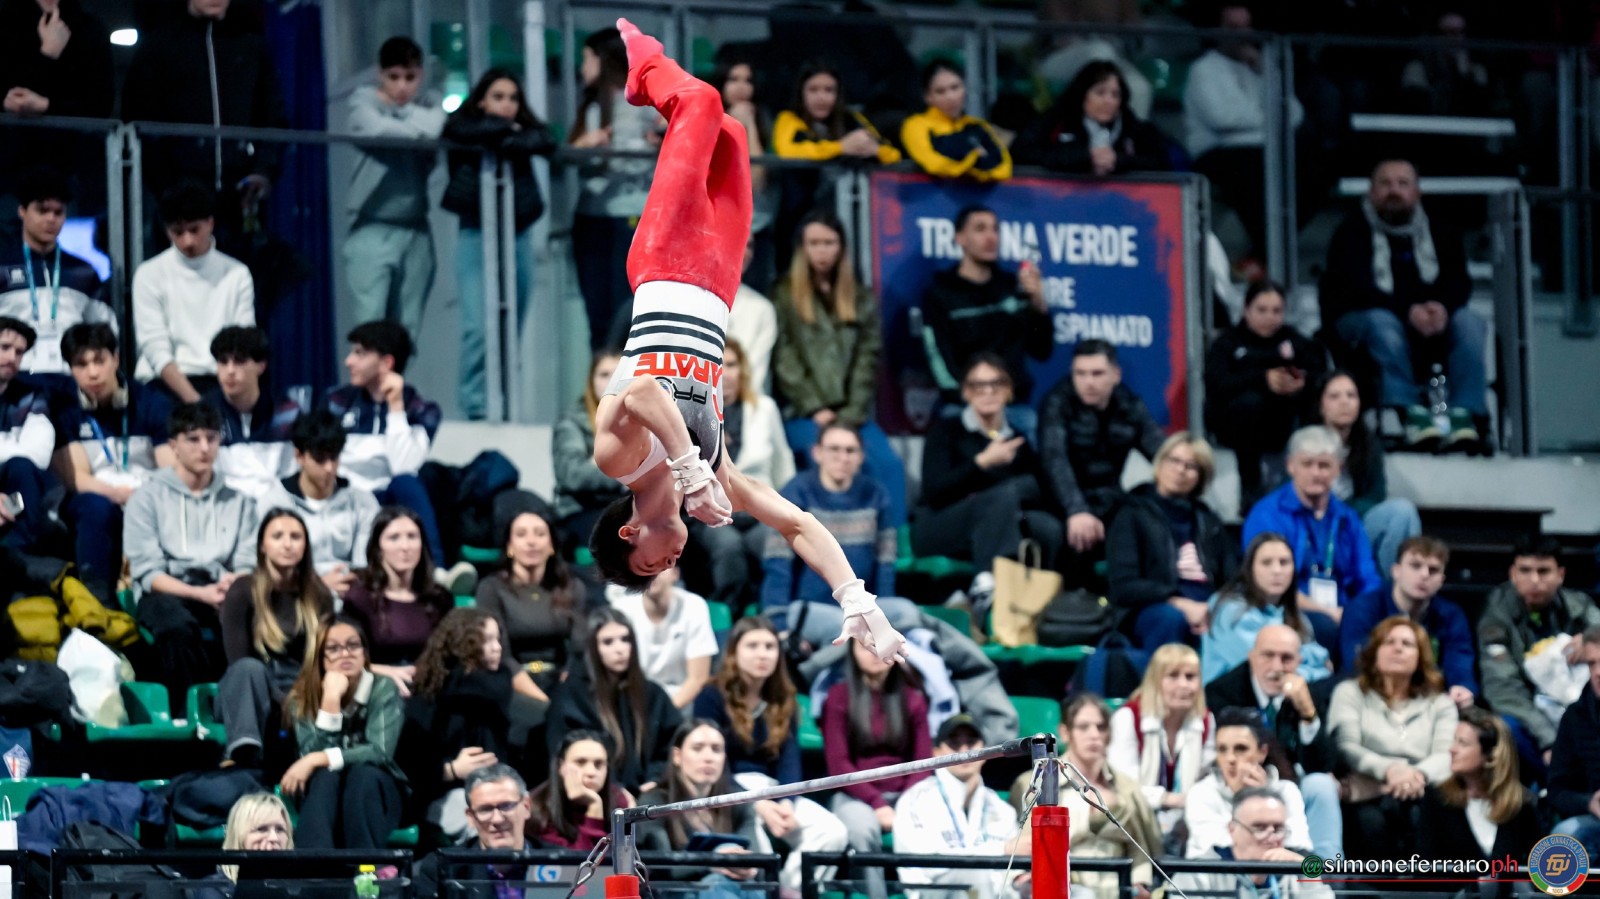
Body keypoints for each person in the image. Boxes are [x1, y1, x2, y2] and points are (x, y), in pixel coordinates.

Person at [587, 22, 904, 666]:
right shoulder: (717, 471)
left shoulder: (617, 459)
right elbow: (795, 522)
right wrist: (856, 599)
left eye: (647, 564)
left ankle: (642, 72)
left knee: (701, 103)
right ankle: (655, 82)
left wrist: (689, 469)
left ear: (630, 531)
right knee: (731, 134)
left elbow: (643, 391)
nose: (666, 567)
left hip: (664, 265)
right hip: (721, 282)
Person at [1319, 158, 1486, 450]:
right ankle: (1409, 412)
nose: (1394, 190)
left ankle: (1464, 413)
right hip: (1361, 321)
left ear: (1417, 192)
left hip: (1427, 322)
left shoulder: (1442, 232)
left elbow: (1459, 282)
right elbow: (1355, 289)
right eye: (1385, 183)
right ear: (1371, 192)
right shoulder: (1350, 232)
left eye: (1402, 183)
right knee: (1383, 322)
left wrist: (1442, 308)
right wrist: (1408, 312)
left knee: (1469, 323)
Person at [694, 617, 848, 891]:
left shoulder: (783, 697)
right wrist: (756, 803)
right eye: (752, 646)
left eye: (769, 646)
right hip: (729, 788)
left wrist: (787, 800)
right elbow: (714, 762)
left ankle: (790, 891)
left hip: (774, 788)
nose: (763, 654)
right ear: (734, 652)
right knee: (757, 846)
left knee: (832, 832)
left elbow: (790, 758)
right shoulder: (711, 695)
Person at [773, 210, 906, 526]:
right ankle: (827, 541)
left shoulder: (860, 297)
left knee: (889, 466)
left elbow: (867, 359)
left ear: (841, 247)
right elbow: (784, 359)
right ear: (802, 247)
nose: (822, 251)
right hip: (803, 414)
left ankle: (898, 544)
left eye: (829, 243)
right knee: (825, 463)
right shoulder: (784, 295)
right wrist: (815, 407)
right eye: (814, 243)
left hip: (853, 414)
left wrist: (850, 414)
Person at [120, 0, 288, 248]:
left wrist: (262, 171)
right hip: (178, 204)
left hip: (240, 201)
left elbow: (273, 118)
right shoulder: (159, 47)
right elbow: (137, 122)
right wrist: (168, 187)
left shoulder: (252, 47)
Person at [442, 67, 556, 420]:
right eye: (498, 97)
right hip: (475, 234)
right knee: (478, 328)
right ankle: (476, 408)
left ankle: (505, 405)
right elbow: (456, 130)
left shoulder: (524, 133)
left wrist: (508, 136)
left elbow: (546, 139)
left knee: (511, 328)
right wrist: (504, 133)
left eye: (513, 98)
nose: (507, 105)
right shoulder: (465, 128)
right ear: (480, 101)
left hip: (517, 235)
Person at [324, 319, 470, 591]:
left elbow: (403, 465)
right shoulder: (336, 402)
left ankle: (437, 571)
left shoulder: (421, 409)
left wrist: (395, 406)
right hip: (343, 495)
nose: (348, 361)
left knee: (406, 482)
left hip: (386, 499)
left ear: (386, 363)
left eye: (359, 353)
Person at [125, 402, 255, 705]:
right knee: (176, 628)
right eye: (193, 439)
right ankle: (188, 713)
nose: (204, 448)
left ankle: (242, 708)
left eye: (211, 438)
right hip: (166, 589)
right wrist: (199, 594)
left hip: (221, 588)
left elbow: (247, 562)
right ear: (174, 446)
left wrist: (230, 584)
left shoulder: (239, 501)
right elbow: (148, 573)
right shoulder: (146, 498)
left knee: (256, 619)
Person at [914, 355, 1063, 613]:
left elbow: (1040, 491)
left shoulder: (1016, 441)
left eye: (996, 384)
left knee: (1047, 526)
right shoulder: (946, 431)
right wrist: (982, 463)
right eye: (978, 386)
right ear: (966, 392)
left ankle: (1048, 605)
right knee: (1002, 496)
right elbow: (935, 492)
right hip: (940, 525)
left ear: (1008, 391)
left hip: (997, 526)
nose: (988, 392)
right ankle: (987, 588)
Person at [762, 424, 917, 648]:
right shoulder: (796, 492)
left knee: (908, 613)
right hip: (808, 607)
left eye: (850, 451)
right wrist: (779, 623)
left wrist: (880, 618)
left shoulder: (875, 494)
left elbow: (884, 563)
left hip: (861, 607)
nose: (843, 458)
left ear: (861, 457)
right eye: (834, 449)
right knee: (846, 626)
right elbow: (778, 564)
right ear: (817, 453)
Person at [51, 322, 174, 602]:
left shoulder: (151, 402)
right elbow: (77, 478)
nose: (92, 372)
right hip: (97, 495)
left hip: (148, 493)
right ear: (70, 369)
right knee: (94, 507)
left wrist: (140, 497)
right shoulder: (65, 410)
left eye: (99, 360)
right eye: (81, 364)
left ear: (116, 359)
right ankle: (98, 600)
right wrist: (118, 495)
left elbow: (169, 468)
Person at [1241, 425, 1383, 652]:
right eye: (1307, 464)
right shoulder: (1267, 515)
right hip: (1289, 609)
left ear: (1338, 469)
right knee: (1325, 627)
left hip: (1343, 611)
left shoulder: (1347, 518)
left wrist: (1364, 612)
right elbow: (1265, 582)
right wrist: (1328, 612)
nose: (1316, 473)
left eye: (1324, 465)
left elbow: (1367, 578)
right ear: (1291, 466)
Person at [1182, 3, 1305, 265]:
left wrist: (1264, 73)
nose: (1241, 35)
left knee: (1314, 166)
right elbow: (1224, 118)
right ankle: (1268, 254)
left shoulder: (1262, 67)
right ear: (1218, 30)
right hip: (1217, 153)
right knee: (1251, 173)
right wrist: (1270, 119)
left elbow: (1295, 113)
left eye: (1246, 28)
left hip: (1261, 151)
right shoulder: (1204, 69)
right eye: (1233, 28)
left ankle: (1262, 254)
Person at [1203, 624, 1340, 858]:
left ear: (1299, 661)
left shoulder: (1310, 694)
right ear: (1251, 656)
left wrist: (1308, 713)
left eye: (1286, 658)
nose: (1277, 667)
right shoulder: (1222, 693)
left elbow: (1324, 766)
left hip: (1290, 786)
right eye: (1268, 656)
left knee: (1322, 786)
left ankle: (1328, 870)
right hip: (1238, 787)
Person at [1328, 615, 1458, 860]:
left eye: (1407, 644)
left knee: (1429, 816)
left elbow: (1446, 754)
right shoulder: (1350, 693)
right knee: (1370, 822)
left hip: (1424, 790)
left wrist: (1416, 775)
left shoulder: (1440, 703)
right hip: (1367, 789)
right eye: (1389, 642)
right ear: (1374, 652)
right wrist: (1390, 770)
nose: (1397, 648)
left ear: (1420, 656)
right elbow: (1346, 746)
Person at [407, 608, 543, 839]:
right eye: (487, 640)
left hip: (497, 790)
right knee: (485, 823)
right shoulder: (432, 694)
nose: (497, 648)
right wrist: (451, 770)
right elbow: (412, 766)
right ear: (463, 644)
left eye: (497, 639)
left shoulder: (497, 685)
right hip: (443, 795)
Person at [344, 36, 446, 345]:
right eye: (394, 77)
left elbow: (435, 127)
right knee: (370, 330)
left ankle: (396, 380)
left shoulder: (429, 102)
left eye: (410, 78)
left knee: (407, 333)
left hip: (416, 229)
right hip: (371, 225)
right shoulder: (362, 101)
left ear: (421, 76)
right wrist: (415, 127)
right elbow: (377, 130)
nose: (402, 86)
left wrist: (401, 115)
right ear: (380, 75)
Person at [1010, 695, 1159, 899]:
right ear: (1065, 732)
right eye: (1083, 727)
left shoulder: (1127, 788)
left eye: (1101, 727)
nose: (1094, 735)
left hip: (1120, 889)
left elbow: (1141, 849)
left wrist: (1140, 883)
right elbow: (1024, 846)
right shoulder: (1034, 783)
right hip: (1067, 889)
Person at [280, 614, 409, 849]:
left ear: (365, 652)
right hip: (323, 794)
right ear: (319, 657)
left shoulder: (383, 687)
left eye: (353, 645)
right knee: (324, 777)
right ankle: (314, 867)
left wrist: (318, 758)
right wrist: (330, 700)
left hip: (376, 791)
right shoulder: (302, 698)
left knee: (363, 775)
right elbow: (311, 753)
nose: (345, 654)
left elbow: (379, 752)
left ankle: (365, 867)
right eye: (333, 648)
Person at [217, 508, 332, 768]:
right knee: (248, 669)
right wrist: (284, 700)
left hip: (302, 690)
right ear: (262, 546)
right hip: (249, 691)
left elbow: (323, 658)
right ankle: (242, 756)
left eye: (296, 537)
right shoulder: (242, 590)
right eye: (278, 536)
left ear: (305, 545)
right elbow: (237, 661)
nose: (287, 544)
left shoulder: (319, 594)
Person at [1037, 339, 1165, 566]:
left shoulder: (1129, 405)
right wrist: (1077, 510)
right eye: (1080, 373)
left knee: (1154, 505)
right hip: (1063, 502)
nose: (1088, 382)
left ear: (1116, 375)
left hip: (1111, 499)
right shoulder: (1056, 404)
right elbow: (1055, 461)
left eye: (1097, 373)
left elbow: (1162, 453)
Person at [1107, 432, 1237, 650]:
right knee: (1171, 618)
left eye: (1191, 466)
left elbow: (1233, 577)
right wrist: (1180, 603)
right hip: (1153, 606)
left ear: (1201, 477)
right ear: (1160, 463)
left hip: (1208, 605)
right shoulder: (1131, 513)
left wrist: (1215, 607)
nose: (1180, 470)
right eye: (1174, 460)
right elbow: (1125, 585)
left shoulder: (1208, 520)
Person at [1478, 537, 1600, 769]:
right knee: (1507, 727)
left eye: (1543, 571)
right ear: (1513, 573)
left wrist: (1591, 640)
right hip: (1527, 711)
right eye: (1525, 570)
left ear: (1560, 575)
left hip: (1574, 705)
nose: (1534, 580)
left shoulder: (1579, 605)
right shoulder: (1496, 614)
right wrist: (1550, 741)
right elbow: (1503, 688)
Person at [822, 639, 931, 896]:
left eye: (881, 646)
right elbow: (839, 765)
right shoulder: (838, 697)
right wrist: (877, 802)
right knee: (862, 829)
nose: (874, 653)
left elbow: (923, 763)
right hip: (855, 794)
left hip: (907, 795)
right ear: (852, 652)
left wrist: (905, 803)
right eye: (865, 646)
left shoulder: (913, 699)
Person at [568, 27, 654, 352]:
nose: (582, 68)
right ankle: (601, 378)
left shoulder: (643, 106)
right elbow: (572, 162)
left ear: (603, 60)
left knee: (624, 311)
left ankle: (623, 377)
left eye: (586, 59)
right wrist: (585, 148)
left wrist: (650, 143)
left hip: (629, 217)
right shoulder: (593, 107)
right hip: (592, 217)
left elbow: (636, 163)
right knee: (597, 314)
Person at [1204, 281, 1325, 507]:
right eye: (1262, 310)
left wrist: (1302, 381)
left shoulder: (1293, 340)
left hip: (1281, 422)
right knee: (1248, 403)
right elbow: (1217, 385)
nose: (1269, 317)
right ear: (1246, 310)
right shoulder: (1228, 342)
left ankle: (1313, 483)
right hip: (1236, 425)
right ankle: (1250, 491)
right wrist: (1263, 379)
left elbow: (1320, 373)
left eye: (1276, 311)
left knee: (1319, 399)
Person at [133, 180, 255, 405]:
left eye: (194, 230)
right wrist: (196, 403)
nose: (187, 240)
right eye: (178, 232)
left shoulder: (236, 274)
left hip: (220, 382)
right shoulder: (149, 274)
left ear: (210, 223)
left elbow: (244, 342)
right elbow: (155, 348)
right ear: (167, 230)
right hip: (163, 384)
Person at [919, 207, 1052, 406]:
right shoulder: (941, 295)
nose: (991, 237)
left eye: (995, 229)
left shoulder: (1012, 287)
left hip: (1013, 405)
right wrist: (972, 401)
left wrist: (1038, 304)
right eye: (980, 229)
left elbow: (1041, 350)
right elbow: (938, 360)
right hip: (963, 405)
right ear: (959, 238)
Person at [696, 337, 791, 608]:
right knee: (729, 549)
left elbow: (783, 464)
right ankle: (730, 617)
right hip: (713, 514)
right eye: (718, 365)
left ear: (743, 370)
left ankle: (775, 613)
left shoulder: (764, 409)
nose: (725, 373)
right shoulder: (693, 411)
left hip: (759, 510)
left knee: (773, 546)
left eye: (732, 364)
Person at [546, 608, 681, 795]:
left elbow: (672, 744)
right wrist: (615, 791)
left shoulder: (652, 694)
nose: (619, 649)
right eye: (608, 642)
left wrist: (656, 779)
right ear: (593, 648)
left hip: (649, 794)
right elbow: (567, 756)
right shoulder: (572, 696)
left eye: (625, 639)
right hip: (593, 793)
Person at [893, 714, 1027, 899]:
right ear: (936, 752)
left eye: (971, 743)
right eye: (954, 744)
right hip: (932, 893)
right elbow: (931, 866)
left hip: (990, 894)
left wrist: (1019, 881)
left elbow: (1009, 872)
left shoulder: (1001, 809)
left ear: (985, 751)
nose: (964, 751)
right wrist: (1001, 849)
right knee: (971, 875)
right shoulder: (915, 800)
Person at [0, 168, 113, 380]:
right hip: (13, 379)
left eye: (58, 212)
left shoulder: (84, 272)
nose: (51, 219)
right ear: (22, 211)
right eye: (42, 211)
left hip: (71, 378)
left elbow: (105, 334)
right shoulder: (2, 266)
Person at [1340, 536, 1478, 709]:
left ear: (1441, 580)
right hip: (1371, 698)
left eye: (1433, 570)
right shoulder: (1362, 608)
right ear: (1396, 571)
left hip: (1431, 700)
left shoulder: (1451, 615)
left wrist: (1461, 686)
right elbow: (1357, 663)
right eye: (1415, 566)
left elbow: (1459, 659)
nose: (1424, 575)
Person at [1417, 707, 1543, 893]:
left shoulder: (1521, 804)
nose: (1452, 749)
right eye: (1454, 741)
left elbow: (1540, 872)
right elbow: (1426, 872)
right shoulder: (1437, 799)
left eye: (1463, 743)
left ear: (1490, 756)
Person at [1308, 370, 1421, 573]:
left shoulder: (1368, 444)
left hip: (1354, 524)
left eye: (1351, 395)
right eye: (1334, 396)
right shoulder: (1306, 443)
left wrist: (1347, 509)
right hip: (1316, 527)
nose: (1344, 402)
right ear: (1321, 405)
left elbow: (1376, 496)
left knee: (1404, 513)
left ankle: (1399, 587)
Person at [635, 719, 763, 899]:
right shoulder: (654, 802)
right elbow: (663, 868)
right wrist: (713, 861)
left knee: (746, 886)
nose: (708, 757)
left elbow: (758, 861)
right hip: (674, 892)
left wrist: (747, 867)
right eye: (697, 748)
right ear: (677, 756)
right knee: (718, 883)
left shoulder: (738, 802)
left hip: (731, 888)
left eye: (716, 749)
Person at [474, 500, 586, 703]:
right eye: (521, 534)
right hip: (511, 684)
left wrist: (565, 692)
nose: (531, 541)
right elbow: (501, 654)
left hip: (561, 684)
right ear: (509, 546)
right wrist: (541, 701)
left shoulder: (572, 587)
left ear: (552, 545)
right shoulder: (491, 589)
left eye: (540, 534)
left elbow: (579, 649)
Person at [260, 409, 379, 599]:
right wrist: (317, 585)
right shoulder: (274, 502)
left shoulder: (363, 502)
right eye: (319, 459)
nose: (329, 468)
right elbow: (266, 567)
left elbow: (366, 564)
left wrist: (349, 583)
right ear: (299, 456)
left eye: (334, 458)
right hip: (294, 596)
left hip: (351, 596)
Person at [342, 506, 454, 696]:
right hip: (378, 689)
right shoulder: (359, 598)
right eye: (394, 538)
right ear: (378, 548)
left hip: (430, 689)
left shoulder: (439, 598)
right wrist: (382, 671)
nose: (405, 546)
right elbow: (345, 658)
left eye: (412, 537)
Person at [1107, 643, 1216, 838]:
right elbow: (1123, 786)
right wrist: (1169, 799)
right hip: (1134, 820)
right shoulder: (1128, 718)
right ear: (1155, 681)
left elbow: (1207, 780)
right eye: (1173, 676)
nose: (1183, 684)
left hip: (1188, 822)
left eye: (1190, 677)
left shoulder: (1206, 720)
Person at [1183, 708, 1312, 858]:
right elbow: (1221, 853)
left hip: (1278, 872)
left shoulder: (1286, 791)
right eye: (1222, 749)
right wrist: (1245, 800)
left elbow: (1301, 848)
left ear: (1262, 752)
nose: (1230, 758)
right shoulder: (1202, 793)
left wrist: (1263, 798)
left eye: (1240, 749)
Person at [1204, 536, 1333, 684]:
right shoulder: (1230, 611)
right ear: (1250, 569)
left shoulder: (1296, 617)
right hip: (1230, 695)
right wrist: (1315, 668)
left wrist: (1312, 667)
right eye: (1266, 563)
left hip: (1282, 693)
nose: (1277, 571)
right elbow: (1265, 671)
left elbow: (1325, 670)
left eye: (1284, 562)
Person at [1013, 59, 1171, 176]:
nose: (1108, 101)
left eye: (1115, 95)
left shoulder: (1135, 128)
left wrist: (1118, 160)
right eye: (1100, 93)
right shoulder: (1057, 120)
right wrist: (1085, 157)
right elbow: (1020, 152)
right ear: (1083, 94)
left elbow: (1162, 163)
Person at [1170, 787, 1333, 899]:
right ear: (1232, 830)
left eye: (1278, 828)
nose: (1272, 837)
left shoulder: (1295, 872)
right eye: (1260, 828)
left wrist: (1307, 874)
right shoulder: (1198, 874)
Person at [412, 764, 539, 899]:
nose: (497, 819)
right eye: (485, 809)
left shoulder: (554, 861)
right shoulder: (443, 868)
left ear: (526, 807)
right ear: (471, 817)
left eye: (506, 806)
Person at [206, 326, 301, 501]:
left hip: (278, 507)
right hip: (223, 507)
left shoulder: (287, 412)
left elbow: (295, 476)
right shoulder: (204, 413)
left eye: (239, 361)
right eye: (223, 362)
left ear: (261, 366)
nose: (230, 370)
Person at [607, 568, 718, 709]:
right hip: (637, 700)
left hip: (682, 700)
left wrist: (666, 713)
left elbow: (698, 678)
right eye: (646, 568)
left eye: (660, 568)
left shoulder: (694, 606)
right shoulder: (622, 609)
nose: (652, 574)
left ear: (675, 574)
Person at [714, 61, 779, 296]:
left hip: (757, 228)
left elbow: (756, 180)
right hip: (718, 230)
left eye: (748, 81)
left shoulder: (766, 123)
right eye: (734, 79)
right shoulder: (707, 119)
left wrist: (748, 125)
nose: (741, 87)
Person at [553, 349, 628, 547]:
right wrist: (625, 474)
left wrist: (601, 463)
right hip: (581, 510)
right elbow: (573, 474)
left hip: (627, 505)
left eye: (618, 374)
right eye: (604, 375)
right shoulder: (572, 421)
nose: (611, 381)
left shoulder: (639, 416)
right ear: (591, 380)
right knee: (621, 536)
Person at [899, 59, 1011, 181]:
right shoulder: (916, 125)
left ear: (965, 88)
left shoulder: (978, 125)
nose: (950, 97)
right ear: (928, 97)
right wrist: (975, 157)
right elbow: (935, 165)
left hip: (977, 193)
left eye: (955, 87)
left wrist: (960, 160)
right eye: (940, 91)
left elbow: (1003, 169)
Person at [772, 61, 901, 165]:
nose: (821, 97)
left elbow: (894, 155)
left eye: (828, 90)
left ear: (838, 94)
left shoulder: (851, 118)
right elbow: (786, 152)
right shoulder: (789, 118)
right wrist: (841, 147)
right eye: (813, 90)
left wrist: (876, 150)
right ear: (801, 93)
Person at [527, 729, 634, 850]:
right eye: (580, 762)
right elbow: (581, 860)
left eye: (599, 764)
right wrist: (594, 808)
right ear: (561, 766)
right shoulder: (537, 809)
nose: (591, 772)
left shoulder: (619, 802)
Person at [0, 316, 53, 561]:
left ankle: (22, 560)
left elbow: (38, 453)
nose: (12, 357)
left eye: (19, 352)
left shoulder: (31, 396)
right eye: (4, 347)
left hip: (13, 491)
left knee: (23, 467)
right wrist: (12, 444)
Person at [1548, 626, 1600, 858]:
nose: (1598, 672)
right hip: (1595, 822)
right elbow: (1557, 791)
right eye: (1591, 663)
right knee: (1563, 838)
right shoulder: (1576, 717)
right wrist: (1589, 802)